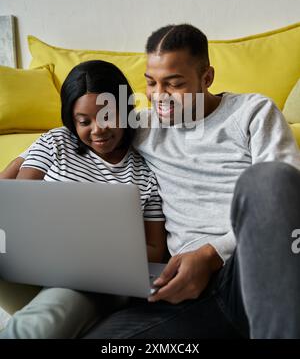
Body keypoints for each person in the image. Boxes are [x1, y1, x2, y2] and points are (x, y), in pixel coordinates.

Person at [3, 24, 300, 338]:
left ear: (207, 77)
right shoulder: (138, 125)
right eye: (151, 84)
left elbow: (282, 201)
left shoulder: (252, 112)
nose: (160, 97)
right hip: (186, 294)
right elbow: (70, 135)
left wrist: (209, 255)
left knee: (270, 179)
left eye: (174, 84)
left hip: (248, 269)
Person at [0, 60, 166, 339]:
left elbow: (156, 250)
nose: (98, 130)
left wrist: (98, 251)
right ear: (71, 120)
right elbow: (18, 203)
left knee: (41, 326)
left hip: (94, 276)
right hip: (30, 265)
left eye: (107, 117)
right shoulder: (56, 142)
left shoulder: (144, 174)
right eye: (84, 121)